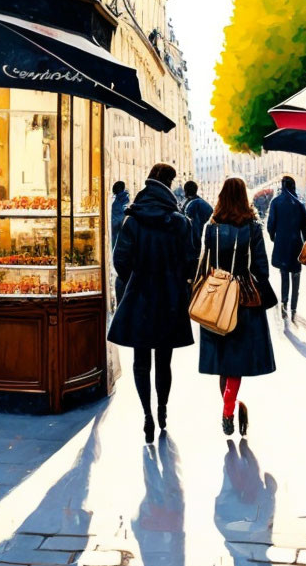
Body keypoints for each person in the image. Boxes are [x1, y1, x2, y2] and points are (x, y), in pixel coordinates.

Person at [108, 164, 197, 444]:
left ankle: (146, 413)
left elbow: (120, 261)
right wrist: (175, 279)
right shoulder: (180, 222)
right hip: (169, 299)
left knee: (141, 361)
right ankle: (162, 409)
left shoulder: (132, 219)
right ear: (168, 184)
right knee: (164, 361)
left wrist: (137, 278)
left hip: (140, 298)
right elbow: (190, 264)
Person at [198, 178, 278, 435]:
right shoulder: (253, 228)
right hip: (242, 299)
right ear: (244, 197)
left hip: (214, 298)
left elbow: (203, 264)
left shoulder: (211, 228)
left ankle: (230, 407)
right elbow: (262, 270)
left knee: (224, 361)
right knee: (236, 360)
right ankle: (228, 410)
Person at [267, 176, 306, 321]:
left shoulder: (275, 202)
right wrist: (304, 241)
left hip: (282, 244)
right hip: (296, 244)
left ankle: (284, 303)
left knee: (284, 274)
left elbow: (270, 224)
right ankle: (294, 307)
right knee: (296, 275)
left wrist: (274, 237)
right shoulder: (299, 203)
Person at [181, 180, 214, 255]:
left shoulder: (188, 205)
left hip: (190, 244)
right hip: (202, 241)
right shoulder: (205, 204)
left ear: (185, 191)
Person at [111, 181, 130, 256]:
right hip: (120, 221)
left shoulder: (117, 199)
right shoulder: (125, 197)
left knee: (114, 241)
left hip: (115, 222)